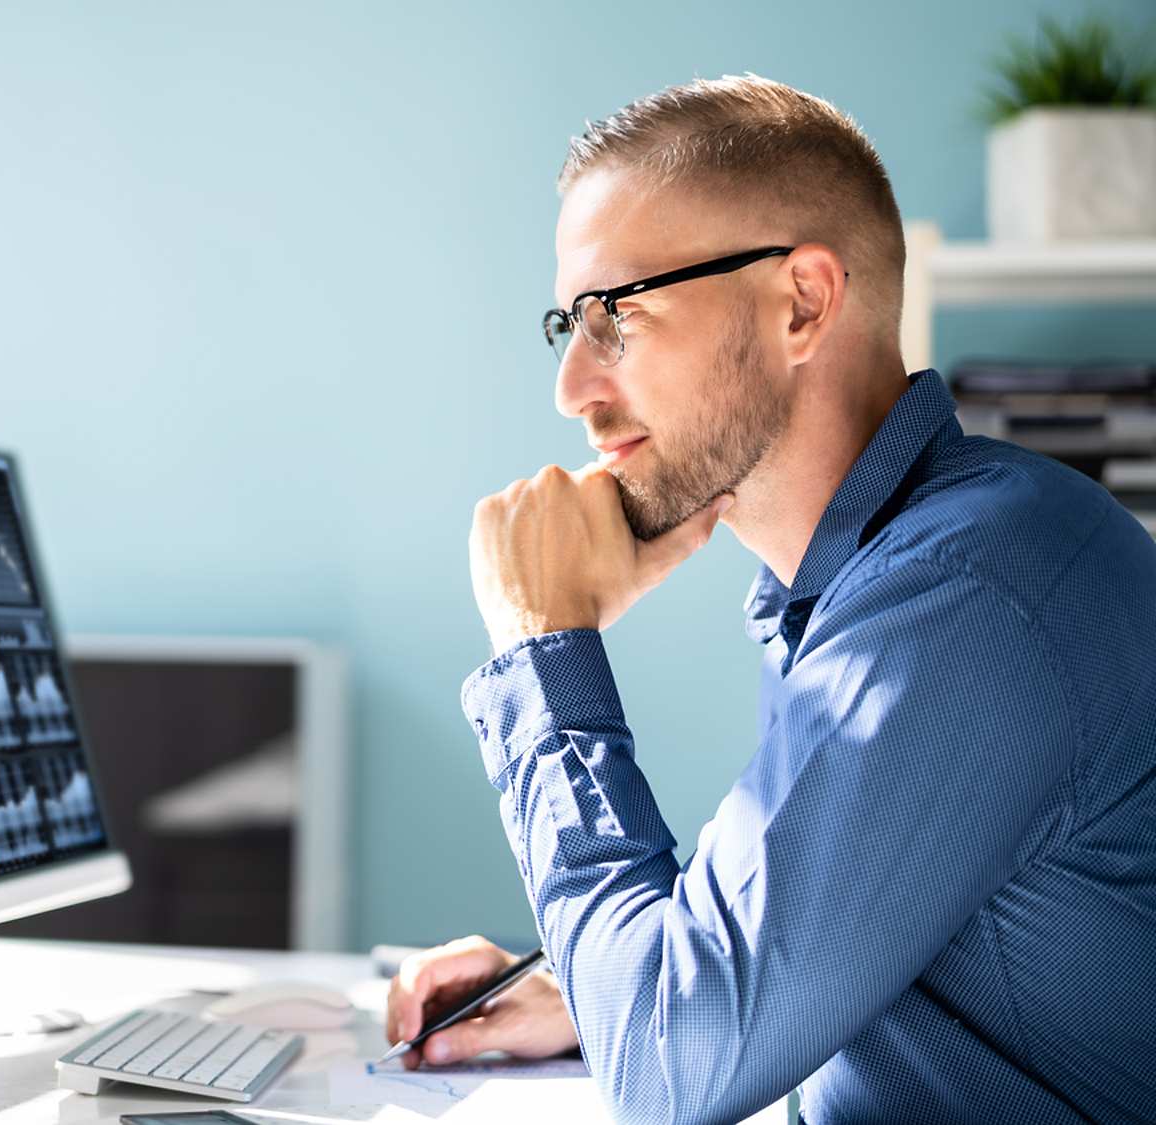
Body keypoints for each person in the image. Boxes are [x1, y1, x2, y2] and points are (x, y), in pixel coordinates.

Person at [386, 75, 1156, 1124]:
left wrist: (540, 645)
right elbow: (811, 953)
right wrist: (590, 994)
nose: (572, 389)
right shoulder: (863, 585)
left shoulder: (965, 594)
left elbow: (670, 1074)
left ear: (801, 303)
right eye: (567, 324)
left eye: (617, 314)